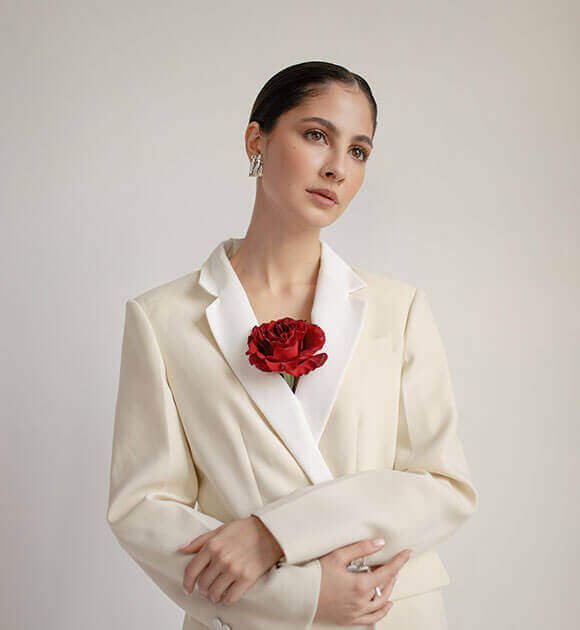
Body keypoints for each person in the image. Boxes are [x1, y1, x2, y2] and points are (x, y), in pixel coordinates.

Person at [106, 60, 478, 630]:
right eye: (316, 136)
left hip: (391, 613)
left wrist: (274, 534)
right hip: (247, 618)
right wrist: (299, 596)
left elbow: (444, 488)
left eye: (358, 151)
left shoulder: (398, 309)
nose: (337, 168)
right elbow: (144, 510)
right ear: (256, 140)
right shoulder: (163, 319)